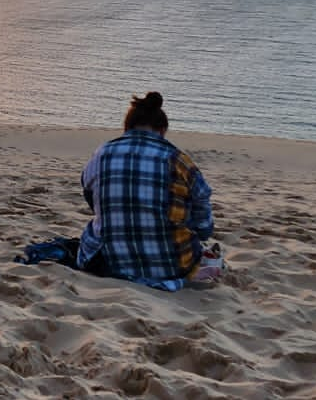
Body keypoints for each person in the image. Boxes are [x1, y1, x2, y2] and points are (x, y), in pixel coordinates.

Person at [78, 92, 215, 289]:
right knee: (189, 215)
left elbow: (88, 190)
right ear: (162, 130)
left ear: (127, 127)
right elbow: (203, 213)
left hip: (108, 262)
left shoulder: (102, 153)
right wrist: (200, 230)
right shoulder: (178, 160)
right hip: (171, 266)